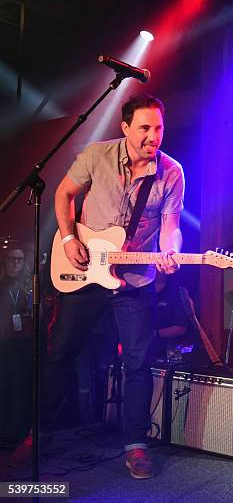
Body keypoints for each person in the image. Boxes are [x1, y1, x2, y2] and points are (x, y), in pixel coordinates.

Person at [36, 94, 183, 479]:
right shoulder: (96, 156)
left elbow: (171, 227)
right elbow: (63, 193)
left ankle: (135, 446)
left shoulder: (171, 172)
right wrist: (69, 239)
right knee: (59, 352)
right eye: (145, 128)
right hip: (85, 272)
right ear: (125, 128)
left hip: (135, 280)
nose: (154, 136)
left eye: (159, 129)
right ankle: (37, 433)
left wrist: (170, 252)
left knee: (138, 362)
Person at [0, 245, 33, 446]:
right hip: (3, 345)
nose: (16, 263)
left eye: (19, 260)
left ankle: (19, 431)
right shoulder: (2, 285)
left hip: (22, 345)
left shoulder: (27, 287)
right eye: (12, 259)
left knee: (21, 387)